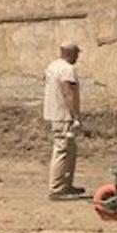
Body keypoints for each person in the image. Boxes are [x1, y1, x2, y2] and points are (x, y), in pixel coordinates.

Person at [44, 42, 85, 200]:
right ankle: (57, 188)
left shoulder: (52, 66)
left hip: (56, 113)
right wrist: (75, 115)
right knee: (62, 150)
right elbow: (68, 93)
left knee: (70, 150)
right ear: (70, 53)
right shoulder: (67, 69)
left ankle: (66, 185)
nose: (77, 57)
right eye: (76, 53)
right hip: (63, 115)